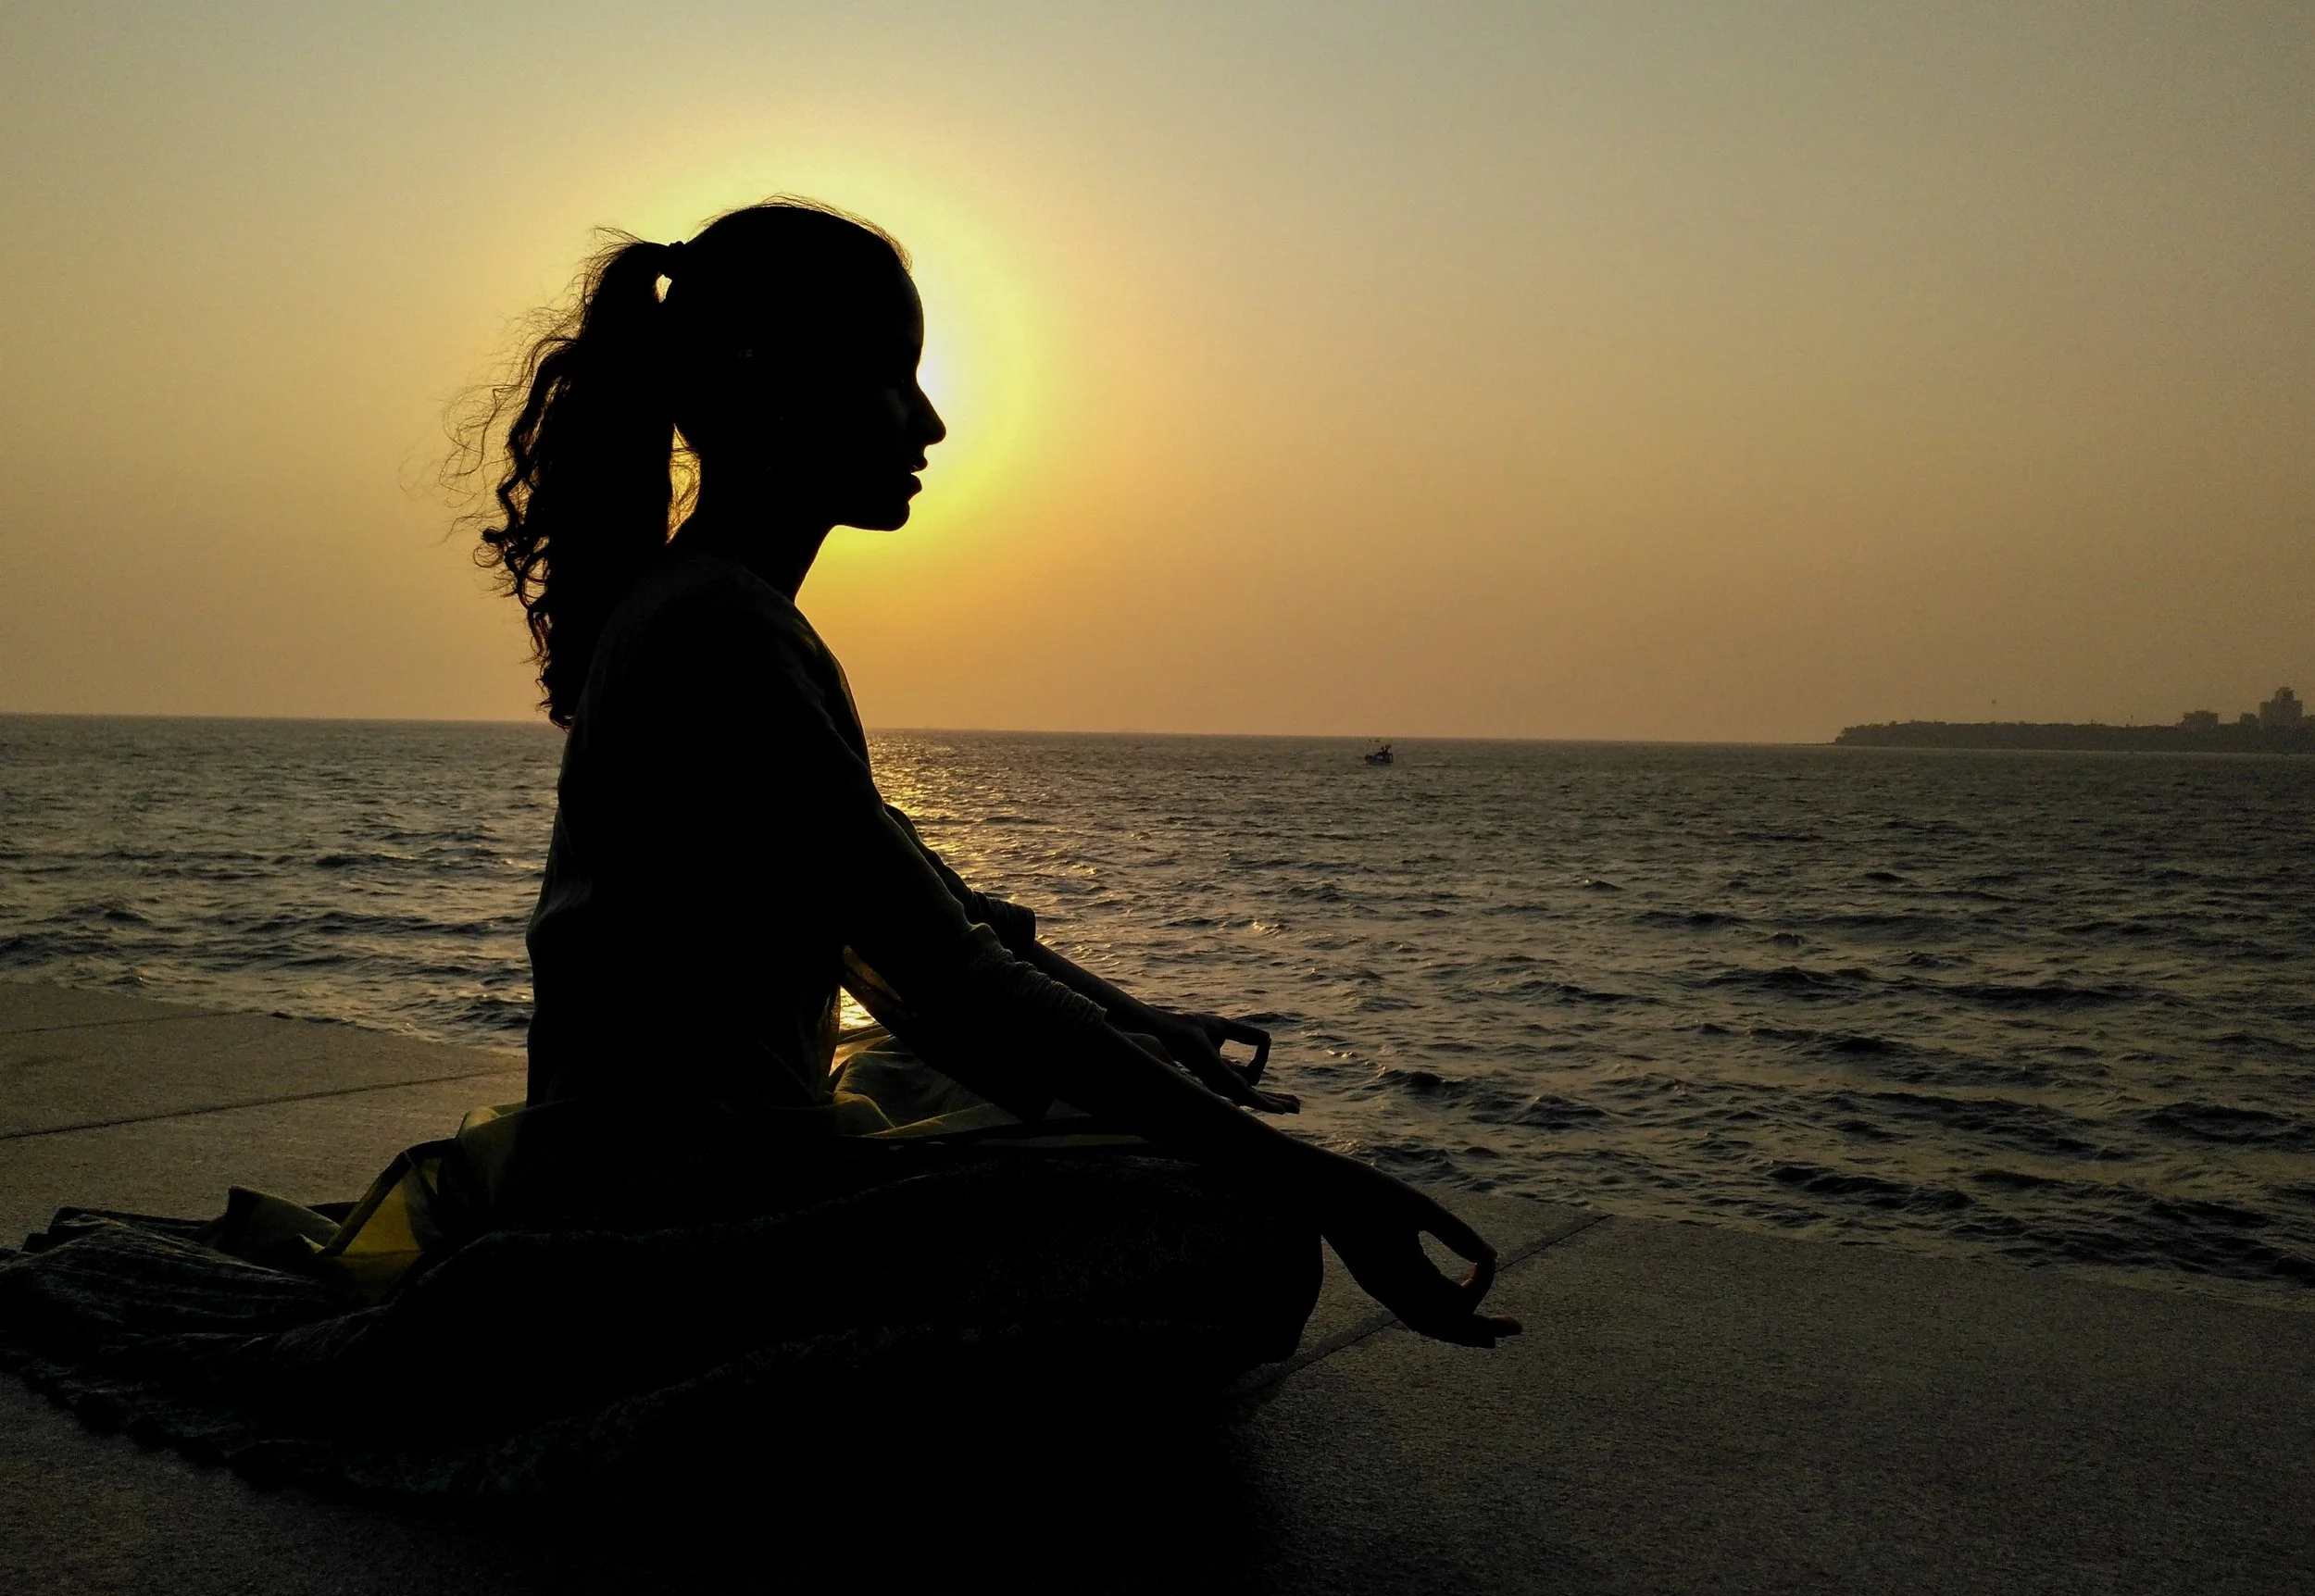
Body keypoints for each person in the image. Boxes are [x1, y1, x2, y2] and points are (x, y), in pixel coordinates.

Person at [0, 199, 1512, 1498]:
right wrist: (1321, 1182)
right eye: (894, 377)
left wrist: (1143, 1024)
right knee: (1247, 1235)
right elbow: (946, 976)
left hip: (665, 1167)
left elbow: (920, 902)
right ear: (770, 388)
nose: (930, 423)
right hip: (678, 1208)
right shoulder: (721, 631)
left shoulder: (712, 608)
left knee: (1052, 1104)